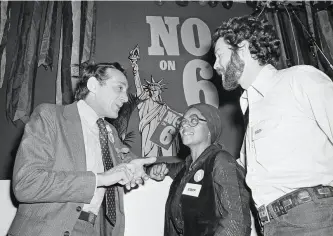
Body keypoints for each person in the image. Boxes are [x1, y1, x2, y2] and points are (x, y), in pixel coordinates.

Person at [212, 15, 333, 235]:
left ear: (243, 48)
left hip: (311, 216)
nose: (215, 65)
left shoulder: (300, 79)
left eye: (219, 55)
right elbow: (237, 170)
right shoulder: (250, 109)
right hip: (270, 224)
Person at [8, 62, 156, 236]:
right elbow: (27, 184)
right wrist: (99, 179)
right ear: (93, 85)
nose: (125, 98)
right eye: (119, 88)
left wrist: (136, 166)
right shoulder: (49, 117)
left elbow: (126, 160)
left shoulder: (110, 132)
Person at [150, 103, 251, 236]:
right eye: (183, 121)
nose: (185, 125)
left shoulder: (221, 162)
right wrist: (154, 169)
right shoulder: (186, 168)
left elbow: (237, 222)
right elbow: (165, 168)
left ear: (210, 128)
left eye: (193, 120)